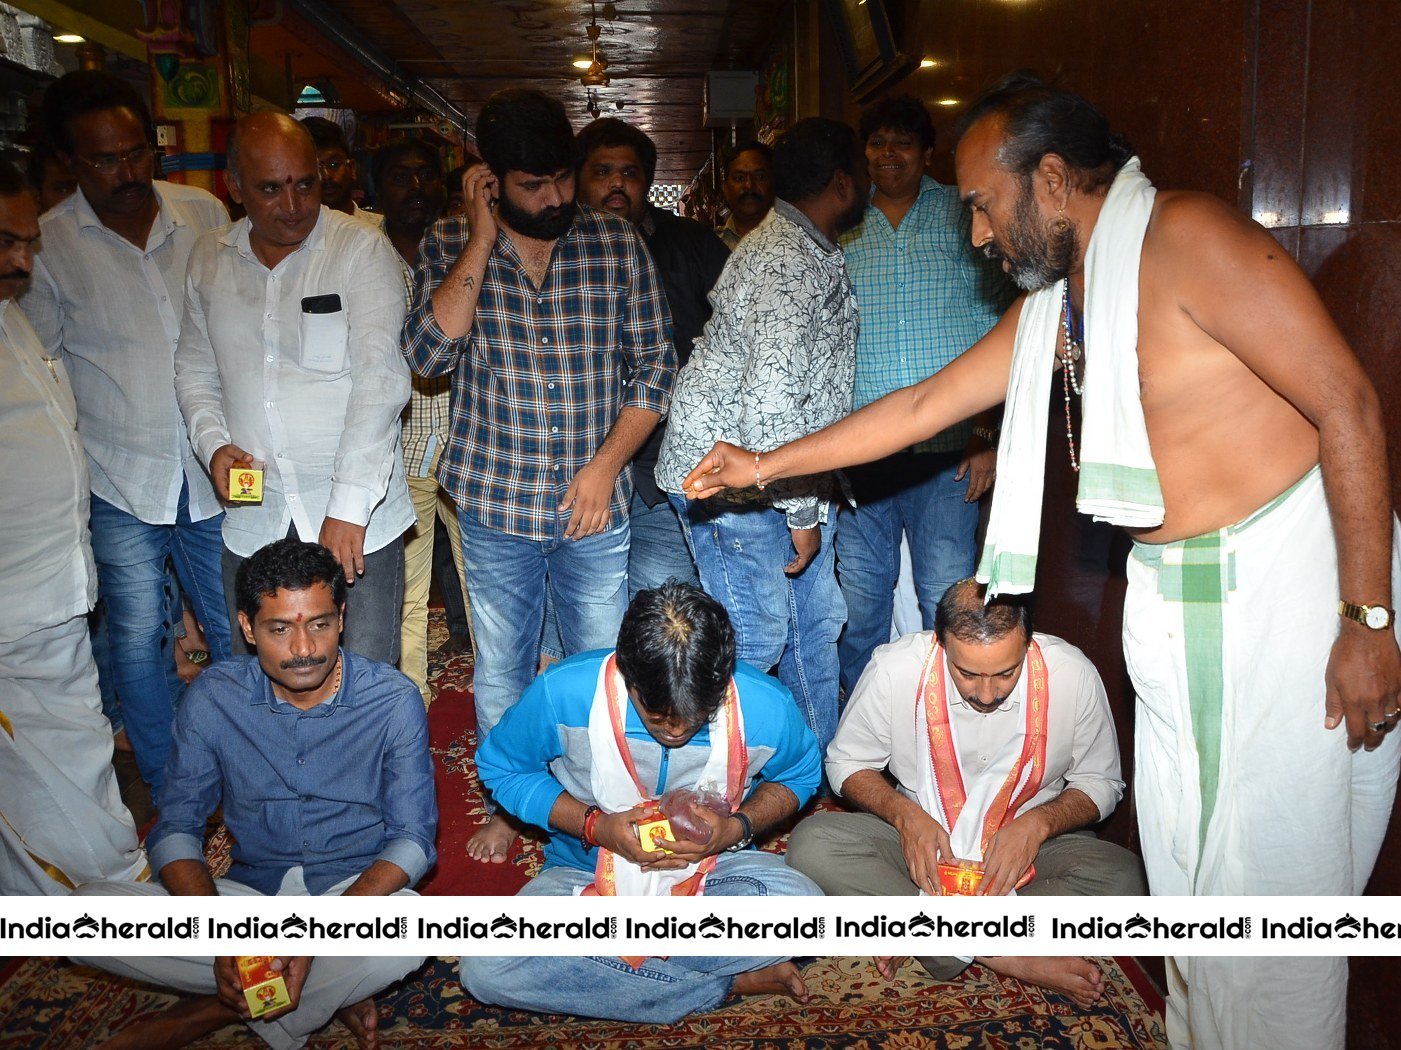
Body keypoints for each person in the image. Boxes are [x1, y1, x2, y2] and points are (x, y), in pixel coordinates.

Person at [683, 73, 1401, 1050]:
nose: (979, 235)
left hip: (1286, 589)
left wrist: (1365, 618)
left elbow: (1348, 406)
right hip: (1181, 600)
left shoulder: (1190, 241)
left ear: (1054, 180)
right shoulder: (1061, 308)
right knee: (1193, 872)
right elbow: (917, 410)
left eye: (983, 203)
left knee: (1269, 885)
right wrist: (763, 464)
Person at [403, 87, 674, 863]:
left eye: (563, 178)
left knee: (597, 665)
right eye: (531, 185)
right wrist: (482, 238)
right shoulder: (449, 243)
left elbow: (656, 367)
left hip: (597, 507)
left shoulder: (614, 244)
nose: (555, 198)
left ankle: (597, 806)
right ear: (488, 179)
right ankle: (515, 809)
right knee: (502, 672)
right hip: (494, 502)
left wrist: (605, 468)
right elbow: (426, 357)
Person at [72, 539, 434, 1050]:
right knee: (82, 916)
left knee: (412, 930)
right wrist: (222, 936)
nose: (305, 648)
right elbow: (176, 827)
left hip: (351, 895)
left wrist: (318, 937)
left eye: (320, 624)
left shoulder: (391, 700)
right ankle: (330, 990)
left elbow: (413, 840)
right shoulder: (215, 696)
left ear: (342, 618)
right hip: (250, 903)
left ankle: (210, 1013)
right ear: (247, 627)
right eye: (280, 629)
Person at [460, 581, 821, 1023]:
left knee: (807, 912)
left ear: (722, 684)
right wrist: (595, 826)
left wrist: (737, 828)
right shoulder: (565, 692)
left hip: (713, 871)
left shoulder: (764, 703)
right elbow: (503, 768)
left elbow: (801, 775)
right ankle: (723, 982)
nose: (675, 731)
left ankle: (625, 971)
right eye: (657, 717)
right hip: (587, 873)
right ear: (627, 676)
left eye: (695, 717)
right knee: (487, 965)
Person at [21, 70, 233, 804]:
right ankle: (175, 782)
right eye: (104, 159)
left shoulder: (204, 215)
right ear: (72, 163)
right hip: (117, 478)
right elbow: (41, 370)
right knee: (138, 640)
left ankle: (248, 765)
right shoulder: (47, 245)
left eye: (136, 152)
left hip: (215, 470)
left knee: (235, 622)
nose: (126, 172)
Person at [788, 578, 1144, 1003]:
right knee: (812, 845)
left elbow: (1101, 782)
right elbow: (846, 764)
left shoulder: (1072, 674)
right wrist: (905, 816)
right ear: (940, 645)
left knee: (1126, 879)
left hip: (1024, 855)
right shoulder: (895, 668)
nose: (987, 694)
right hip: (924, 848)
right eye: (968, 673)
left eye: (1006, 673)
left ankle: (922, 934)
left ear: (1029, 645)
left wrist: (1038, 824)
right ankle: (1009, 957)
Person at [656, 118, 869, 752]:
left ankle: (811, 765)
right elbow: (771, 406)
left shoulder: (803, 246)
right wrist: (802, 507)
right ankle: (730, 779)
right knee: (754, 635)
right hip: (733, 483)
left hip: (780, 478)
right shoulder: (783, 259)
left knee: (815, 622)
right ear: (842, 182)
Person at [176, 113, 414, 666]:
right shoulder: (209, 258)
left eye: (304, 183)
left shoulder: (359, 250)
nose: (292, 205)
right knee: (263, 681)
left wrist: (349, 504)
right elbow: (194, 369)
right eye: (270, 189)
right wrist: (212, 446)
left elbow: (380, 382)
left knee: (363, 680)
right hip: (254, 514)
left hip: (357, 520)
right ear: (234, 189)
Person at [0, 160, 147, 895]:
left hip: (55, 596)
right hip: (12, 621)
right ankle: (219, 968)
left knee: (54, 786)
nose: (20, 261)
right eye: (3, 241)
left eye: (27, 242)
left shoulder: (11, 316)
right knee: (81, 836)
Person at [835, 95, 1010, 692]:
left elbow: (1000, 331)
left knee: (949, 600)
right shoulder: (844, 222)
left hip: (951, 452)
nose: (889, 155)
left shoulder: (962, 215)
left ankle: (949, 726)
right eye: (877, 143)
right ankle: (862, 736)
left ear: (927, 153)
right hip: (864, 454)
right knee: (862, 608)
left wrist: (987, 436)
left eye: (902, 143)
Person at [575, 117, 729, 596]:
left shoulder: (694, 244)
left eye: (630, 172)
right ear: (577, 180)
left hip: (665, 465)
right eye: (602, 172)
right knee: (579, 625)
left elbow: (736, 338)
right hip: (577, 462)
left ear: (648, 182)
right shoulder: (556, 250)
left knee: (661, 612)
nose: (617, 183)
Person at [373, 139, 469, 702]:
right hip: (400, 442)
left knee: (484, 582)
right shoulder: (363, 254)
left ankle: (504, 696)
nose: (415, 188)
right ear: (378, 189)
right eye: (401, 176)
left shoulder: (471, 248)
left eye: (426, 175)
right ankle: (411, 692)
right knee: (407, 585)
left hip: (470, 440)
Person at [300, 115, 374, 220]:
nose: (326, 175)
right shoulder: (295, 234)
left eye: (333, 165)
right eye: (315, 167)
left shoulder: (379, 230)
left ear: (352, 168)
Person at [715, 141, 773, 249]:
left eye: (760, 176)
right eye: (739, 178)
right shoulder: (710, 246)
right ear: (725, 188)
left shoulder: (797, 240)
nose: (749, 185)